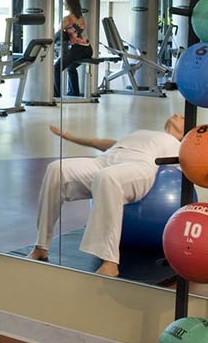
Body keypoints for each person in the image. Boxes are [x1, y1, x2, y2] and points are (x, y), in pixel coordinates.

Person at [27, 114, 186, 277]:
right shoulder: (144, 133)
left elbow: (193, 165)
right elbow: (106, 144)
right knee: (56, 169)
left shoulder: (177, 145)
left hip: (138, 166)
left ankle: (110, 262)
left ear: (185, 133)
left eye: (182, 117)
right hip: (105, 159)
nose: (176, 115)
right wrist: (71, 137)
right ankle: (41, 246)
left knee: (107, 177)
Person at [54, 0, 93, 98]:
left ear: (69, 3)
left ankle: (56, 95)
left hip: (79, 49)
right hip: (88, 49)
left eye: (65, 1)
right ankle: (74, 92)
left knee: (56, 68)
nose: (64, 3)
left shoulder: (67, 18)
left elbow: (57, 34)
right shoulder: (80, 16)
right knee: (71, 67)